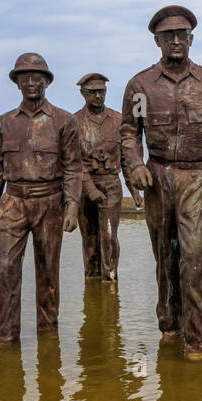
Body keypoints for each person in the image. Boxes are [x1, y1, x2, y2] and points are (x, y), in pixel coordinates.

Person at [120, 5, 202, 359]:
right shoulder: (140, 87)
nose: (176, 40)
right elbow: (129, 133)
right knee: (166, 257)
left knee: (195, 257)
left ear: (191, 38)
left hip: (197, 177)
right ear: (156, 41)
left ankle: (198, 341)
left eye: (182, 34)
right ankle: (170, 326)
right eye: (168, 35)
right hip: (158, 179)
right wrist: (136, 164)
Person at [0, 53, 81, 344]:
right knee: (6, 269)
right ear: (17, 83)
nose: (31, 82)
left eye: (38, 77)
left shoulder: (65, 121)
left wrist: (72, 205)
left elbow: (74, 167)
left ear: (47, 82)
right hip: (13, 202)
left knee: (48, 273)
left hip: (50, 201)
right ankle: (8, 337)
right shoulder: (4, 123)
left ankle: (48, 337)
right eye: (25, 77)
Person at [73, 72, 125, 283]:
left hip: (111, 183)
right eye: (92, 92)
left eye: (101, 91)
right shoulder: (74, 122)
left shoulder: (118, 120)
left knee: (109, 235)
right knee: (90, 238)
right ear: (83, 94)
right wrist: (90, 189)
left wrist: (136, 190)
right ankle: (92, 282)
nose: (98, 96)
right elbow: (72, 163)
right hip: (85, 186)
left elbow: (128, 157)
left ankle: (110, 281)